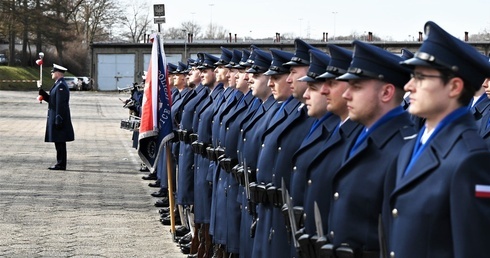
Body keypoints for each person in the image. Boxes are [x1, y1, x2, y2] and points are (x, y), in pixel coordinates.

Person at [383, 21, 490, 258]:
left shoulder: (469, 159)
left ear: (453, 87)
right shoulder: (413, 146)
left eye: (420, 77)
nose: (409, 86)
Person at [324, 40, 417, 257]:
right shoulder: (364, 134)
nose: (346, 94)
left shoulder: (403, 148)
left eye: (356, 87)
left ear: (386, 93)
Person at [38, 64, 75, 171]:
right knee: (58, 142)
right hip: (57, 116)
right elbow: (54, 101)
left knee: (60, 142)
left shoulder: (61, 86)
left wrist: (58, 117)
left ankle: (61, 164)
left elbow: (61, 103)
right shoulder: (58, 84)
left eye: (53, 72)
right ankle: (60, 163)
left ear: (58, 73)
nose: (51, 73)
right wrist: (44, 95)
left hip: (59, 117)